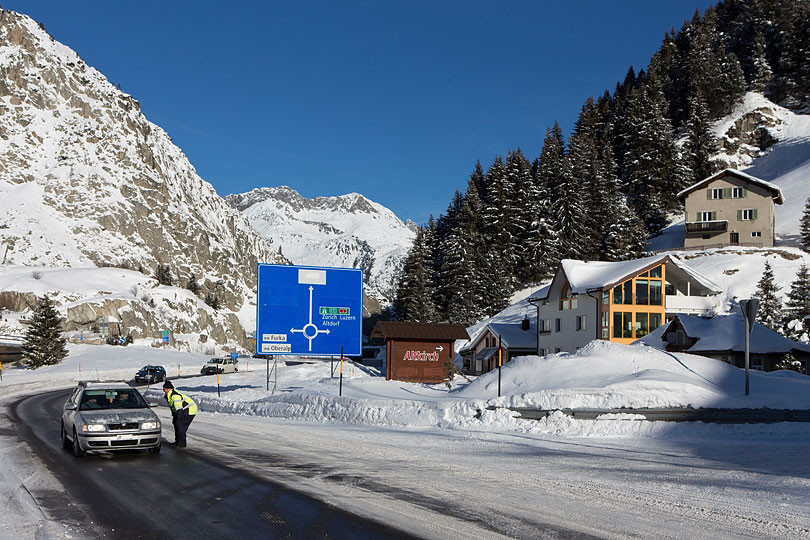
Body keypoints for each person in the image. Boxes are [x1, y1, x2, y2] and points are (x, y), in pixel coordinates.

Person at [162, 380, 197, 448]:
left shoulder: (174, 395)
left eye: (164, 389)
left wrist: (178, 417)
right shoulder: (169, 395)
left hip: (189, 410)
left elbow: (178, 407)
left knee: (180, 426)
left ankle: (181, 443)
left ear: (168, 389)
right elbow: (173, 407)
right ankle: (178, 441)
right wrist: (175, 416)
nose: (163, 390)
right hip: (183, 410)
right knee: (176, 423)